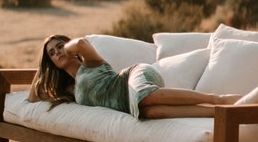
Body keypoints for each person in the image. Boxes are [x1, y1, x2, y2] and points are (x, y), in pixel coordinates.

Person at [28, 34, 240, 119]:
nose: (58, 53)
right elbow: (33, 97)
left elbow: (82, 43)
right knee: (151, 113)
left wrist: (67, 46)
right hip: (125, 102)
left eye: (59, 47)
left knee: (144, 96)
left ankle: (217, 98)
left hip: (132, 77)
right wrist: (44, 66)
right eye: (52, 53)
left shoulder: (90, 63)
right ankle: (216, 113)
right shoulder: (69, 89)